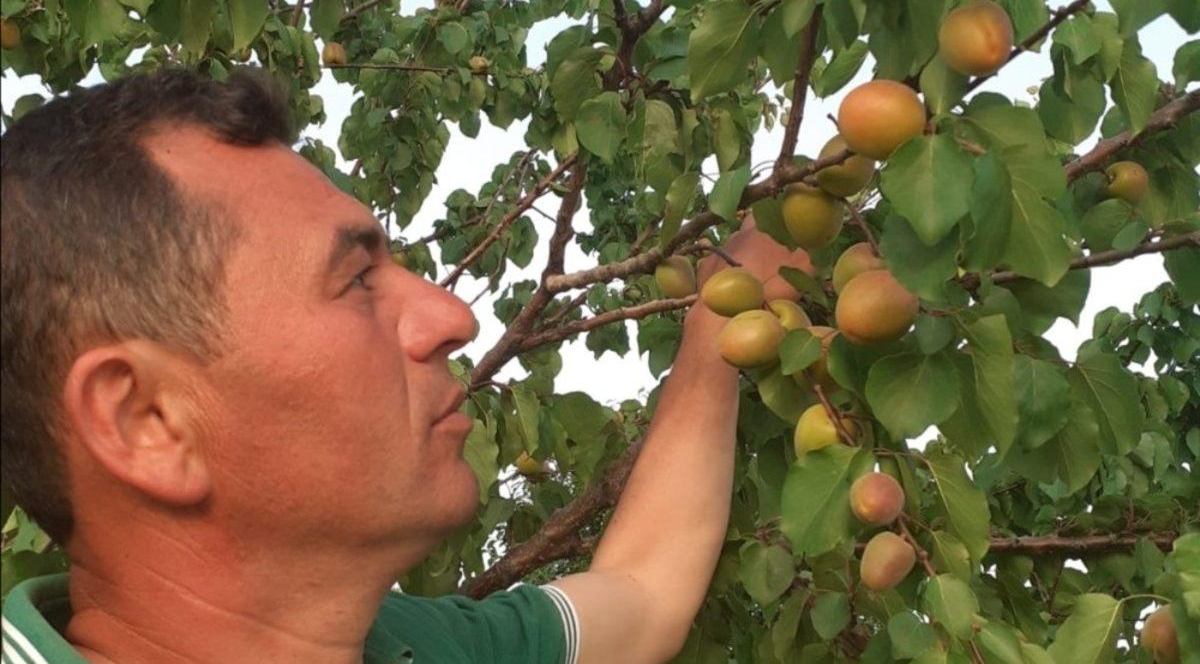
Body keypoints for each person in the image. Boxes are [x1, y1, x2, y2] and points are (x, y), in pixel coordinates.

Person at [0, 67, 811, 663]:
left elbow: (646, 595)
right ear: (146, 420)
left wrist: (719, 319)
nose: (454, 316)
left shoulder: (417, 646)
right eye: (357, 280)